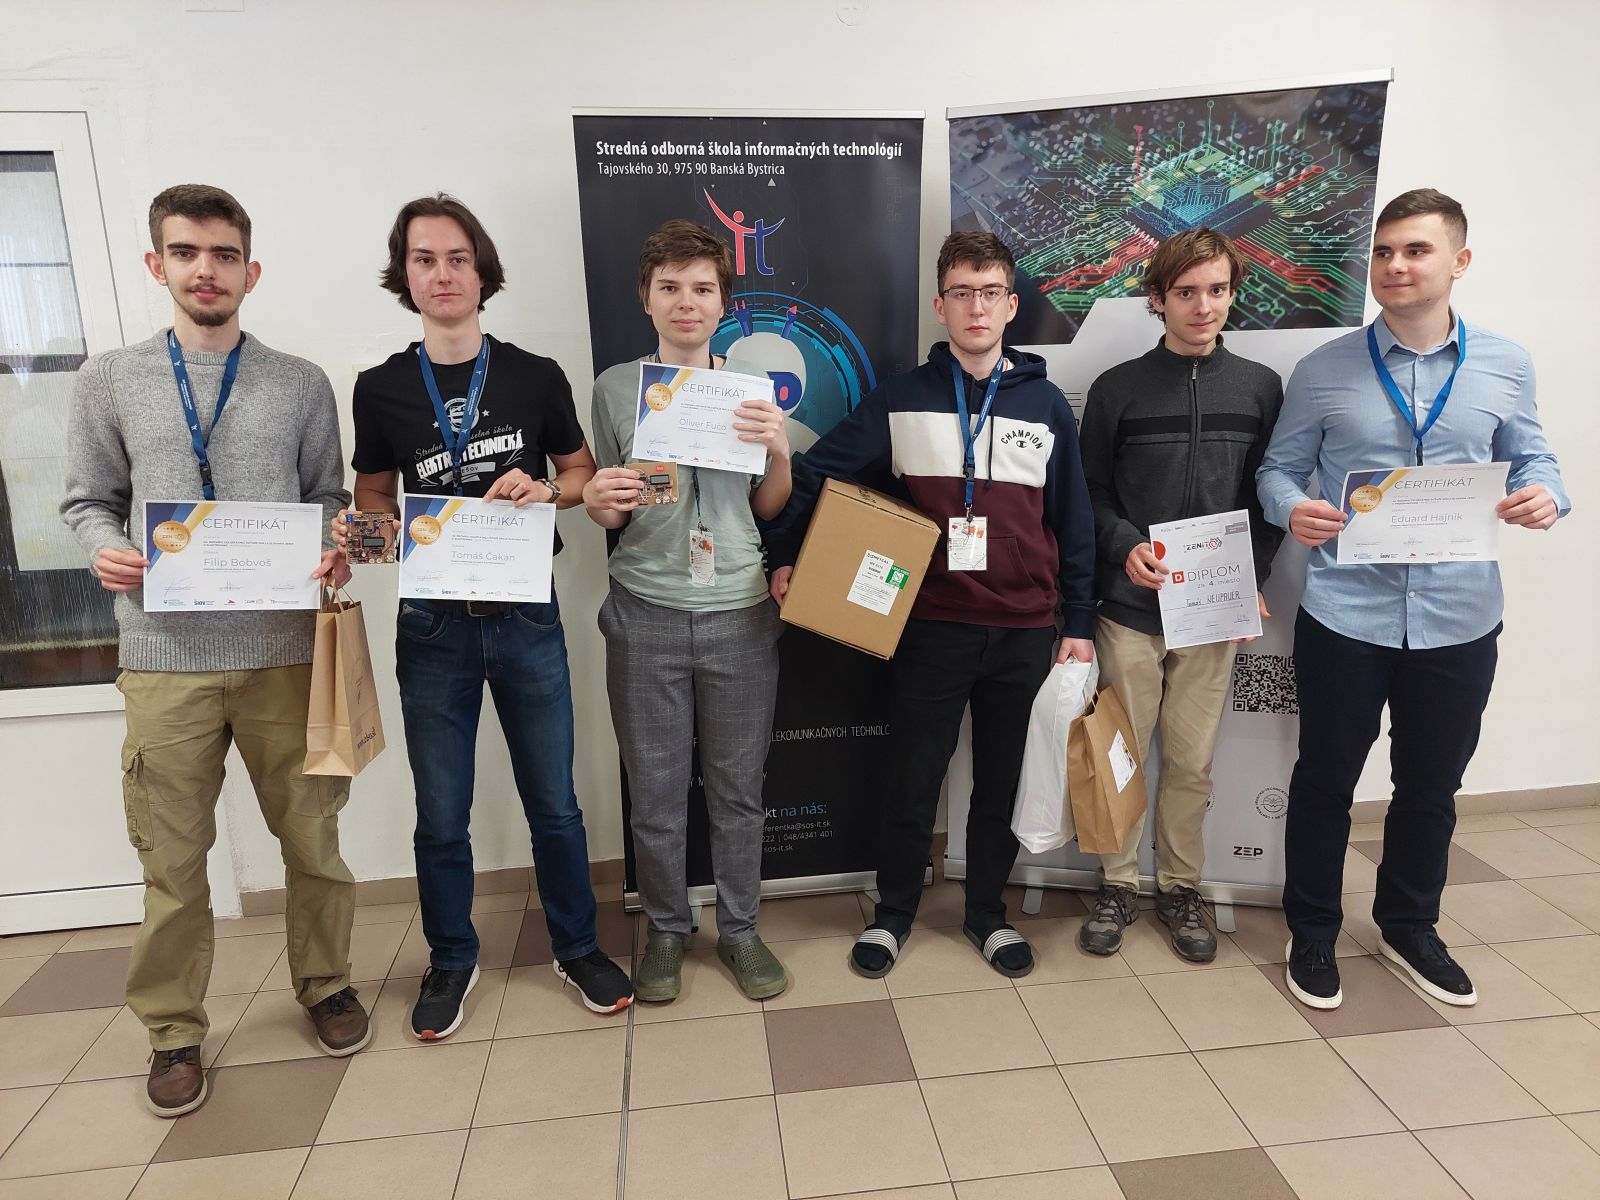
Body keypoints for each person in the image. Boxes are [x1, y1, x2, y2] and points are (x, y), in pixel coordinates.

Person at [62, 184, 368, 1117]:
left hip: (284, 652)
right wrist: (103, 548)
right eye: (187, 252)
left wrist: (333, 544)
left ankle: (326, 983)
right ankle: (172, 1030)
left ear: (250, 270)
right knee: (172, 859)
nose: (206, 270)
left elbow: (330, 495)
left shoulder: (300, 383)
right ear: (156, 264)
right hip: (164, 657)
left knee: (312, 839)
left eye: (224, 254)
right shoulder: (109, 380)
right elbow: (87, 500)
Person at [1258, 188, 1569, 1011]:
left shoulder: (1505, 364)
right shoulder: (1323, 369)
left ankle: (1408, 925)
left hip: (1460, 617)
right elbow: (1278, 470)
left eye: (1416, 250)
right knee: (1325, 779)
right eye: (1384, 251)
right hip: (1344, 615)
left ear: (1458, 261)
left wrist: (1547, 495)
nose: (1395, 266)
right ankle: (1312, 929)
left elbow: (1534, 457)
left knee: (1431, 786)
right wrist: (1292, 508)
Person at [337, 194, 632, 1036]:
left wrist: (544, 489)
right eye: (424, 259)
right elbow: (372, 503)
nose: (442, 275)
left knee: (556, 804)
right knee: (441, 814)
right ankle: (451, 958)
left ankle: (577, 947)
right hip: (434, 626)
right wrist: (369, 534)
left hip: (526, 614)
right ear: (405, 275)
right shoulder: (381, 388)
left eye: (457, 258)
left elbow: (581, 477)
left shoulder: (535, 375)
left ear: (482, 272)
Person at [767, 231, 1096, 980]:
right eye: (962, 293)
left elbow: (1073, 519)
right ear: (940, 306)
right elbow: (816, 472)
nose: (976, 308)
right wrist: (784, 553)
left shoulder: (1045, 405)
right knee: (913, 778)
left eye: (990, 293)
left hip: (1024, 628)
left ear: (1010, 306)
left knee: (1000, 782)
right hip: (932, 624)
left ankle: (986, 914)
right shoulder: (903, 396)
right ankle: (893, 915)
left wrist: (1079, 620)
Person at [583, 220, 792, 1003]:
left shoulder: (751, 389)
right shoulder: (615, 389)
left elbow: (769, 506)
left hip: (740, 609)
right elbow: (614, 510)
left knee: (738, 790)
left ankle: (739, 930)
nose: (686, 302)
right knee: (657, 791)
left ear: (723, 303)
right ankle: (668, 929)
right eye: (669, 287)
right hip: (646, 611)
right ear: (646, 297)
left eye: (702, 288)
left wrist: (781, 450)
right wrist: (599, 501)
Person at [1075, 228, 1284, 962]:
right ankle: (1117, 884)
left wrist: (1253, 575)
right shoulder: (1117, 389)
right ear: (1157, 300)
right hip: (1130, 612)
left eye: (1217, 290)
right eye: (1186, 292)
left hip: (1213, 615)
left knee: (1192, 763)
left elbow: (1270, 493)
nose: (1203, 306)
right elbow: (1089, 491)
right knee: (1121, 755)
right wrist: (1122, 544)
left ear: (1232, 294)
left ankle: (1180, 888)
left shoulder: (1260, 387)